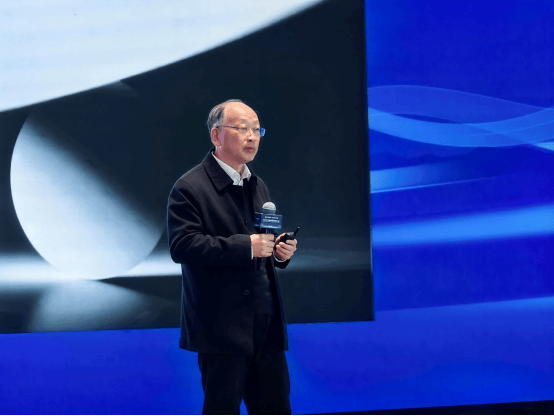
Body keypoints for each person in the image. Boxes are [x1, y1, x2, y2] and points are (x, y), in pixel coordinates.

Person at [167, 99, 298, 415]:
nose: (252, 137)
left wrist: (279, 252)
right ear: (216, 135)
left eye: (257, 130)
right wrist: (247, 246)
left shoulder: (257, 184)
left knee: (277, 408)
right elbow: (182, 246)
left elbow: (262, 240)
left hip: (265, 324)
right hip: (221, 327)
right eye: (242, 129)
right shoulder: (189, 187)